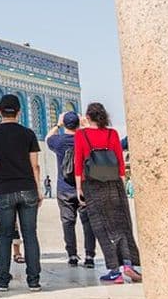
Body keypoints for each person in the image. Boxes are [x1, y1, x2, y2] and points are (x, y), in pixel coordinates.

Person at [75, 103, 142, 284]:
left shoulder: (81, 134)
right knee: (122, 225)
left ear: (88, 117)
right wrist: (120, 185)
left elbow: (79, 162)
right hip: (113, 183)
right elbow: (120, 161)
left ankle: (114, 271)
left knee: (101, 227)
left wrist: (78, 188)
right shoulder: (112, 133)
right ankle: (128, 264)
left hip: (92, 184)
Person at [0, 94, 42, 292]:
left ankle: (3, 281)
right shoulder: (28, 134)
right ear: (19, 112)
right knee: (30, 235)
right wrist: (39, 190)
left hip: (5, 189)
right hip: (27, 188)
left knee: (5, 236)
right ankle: (33, 281)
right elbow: (35, 166)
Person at [45, 111, 96, 268]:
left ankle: (72, 255)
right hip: (85, 188)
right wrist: (86, 125)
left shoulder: (58, 142)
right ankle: (89, 256)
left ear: (65, 124)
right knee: (88, 223)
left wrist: (57, 125)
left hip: (64, 188)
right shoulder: (86, 139)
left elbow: (47, 138)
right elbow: (97, 139)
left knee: (68, 222)